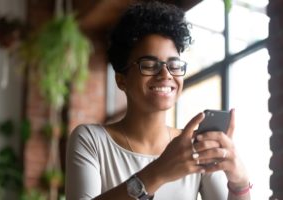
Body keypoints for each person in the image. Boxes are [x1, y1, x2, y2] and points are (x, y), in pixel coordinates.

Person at [65, 1, 251, 200]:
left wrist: (239, 183)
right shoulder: (91, 140)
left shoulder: (194, 147)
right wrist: (159, 172)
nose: (165, 74)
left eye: (174, 65)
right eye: (149, 65)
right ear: (121, 80)